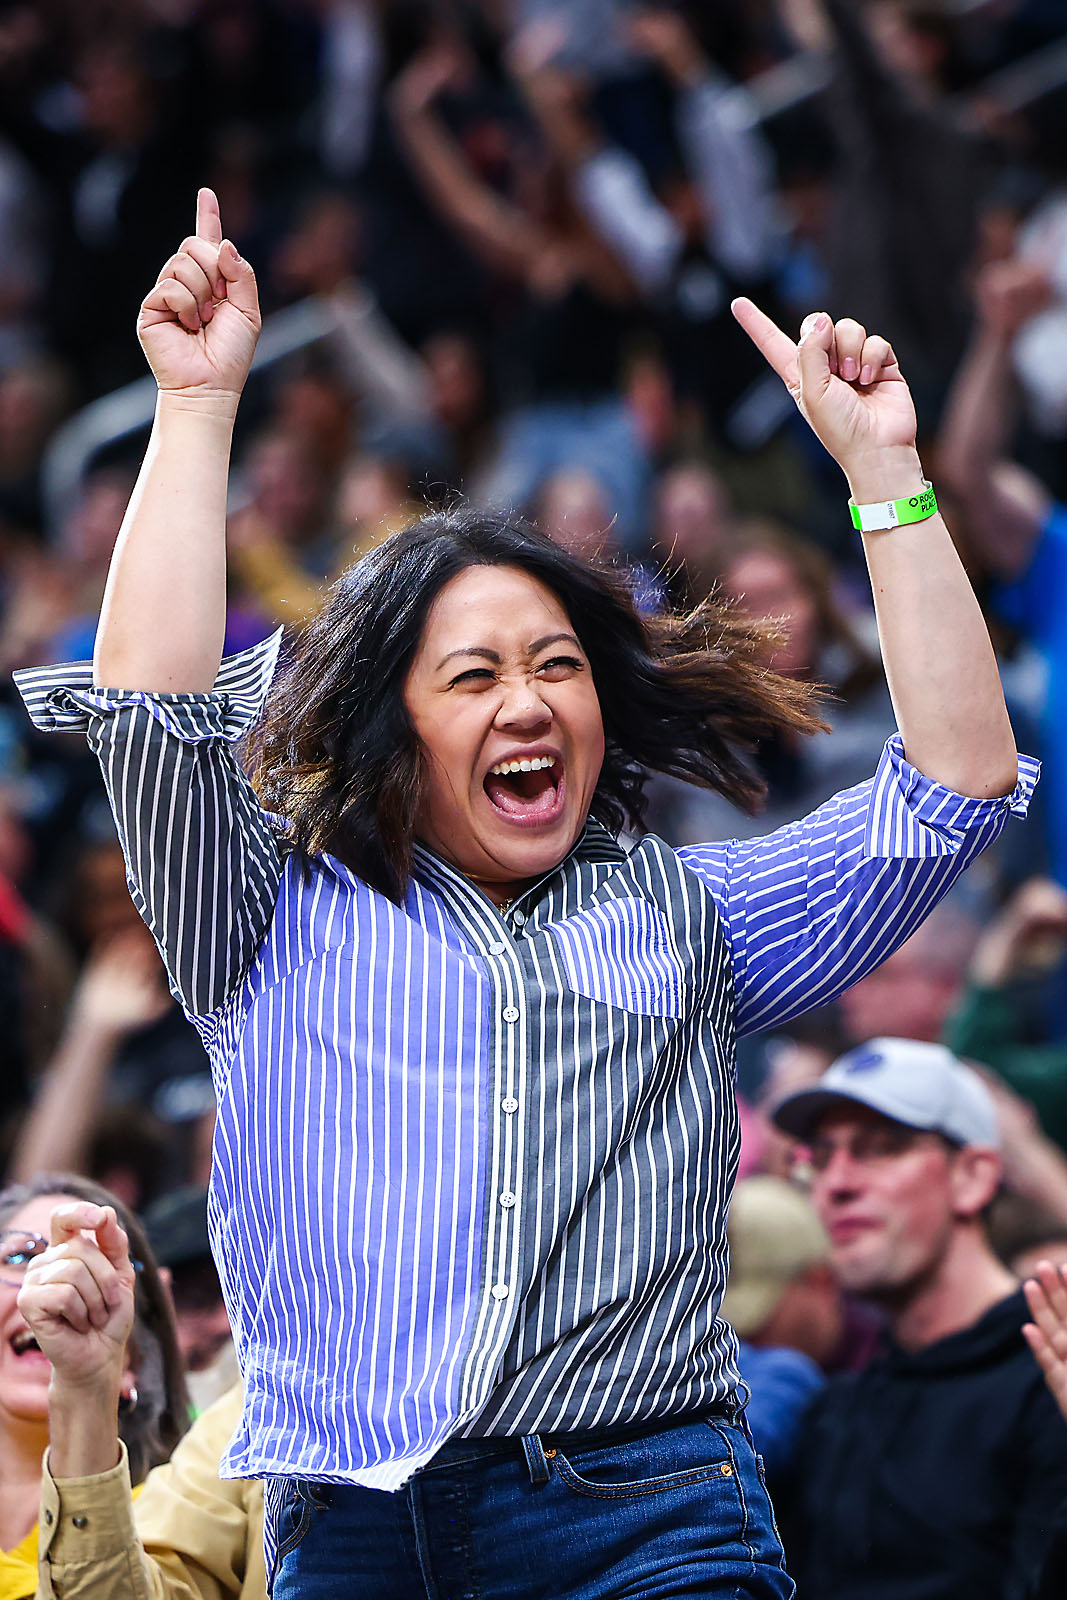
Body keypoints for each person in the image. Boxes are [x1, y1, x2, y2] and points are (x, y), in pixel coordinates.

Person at [14, 186, 1033, 1599]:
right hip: (360, 1533)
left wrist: (886, 481)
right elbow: (152, 717)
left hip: (648, 1512)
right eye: (475, 675)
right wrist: (193, 410)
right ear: (391, 728)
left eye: (558, 666)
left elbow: (953, 787)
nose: (530, 701)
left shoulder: (682, 912)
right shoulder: (257, 910)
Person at [772, 1037, 1067, 1598]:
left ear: (971, 1176)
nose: (836, 1184)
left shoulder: (1050, 1385)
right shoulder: (838, 1406)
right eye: (820, 1158)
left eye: (880, 1147)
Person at [18, 1199, 265, 1600]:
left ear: (139, 1354)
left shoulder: (237, 1429)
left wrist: (87, 1388)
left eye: (240, 1291)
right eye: (21, 1258)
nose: (67, 1294)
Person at [0, 1173, 187, 1600]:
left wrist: (85, 1385)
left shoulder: (178, 1528)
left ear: (136, 1362)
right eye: (20, 1257)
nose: (58, 1290)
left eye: (93, 1268)